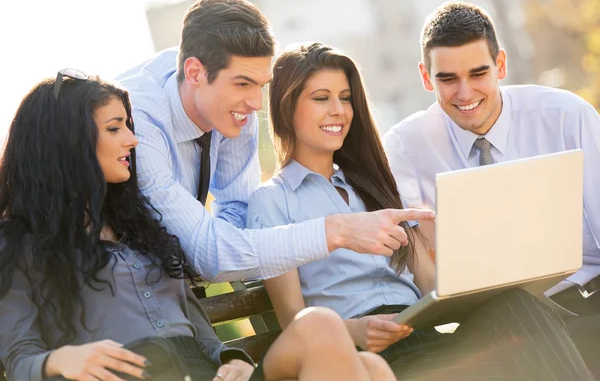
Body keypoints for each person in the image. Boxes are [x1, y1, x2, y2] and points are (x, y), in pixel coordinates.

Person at [0, 71, 398, 381]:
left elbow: (204, 336)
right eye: (114, 127)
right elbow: (19, 361)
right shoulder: (19, 244)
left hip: (202, 371)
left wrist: (234, 359)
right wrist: (59, 360)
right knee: (334, 335)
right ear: (70, 143)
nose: (132, 140)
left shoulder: (142, 229)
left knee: (367, 365)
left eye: (128, 125)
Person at [246, 41, 594, 380]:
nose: (339, 110)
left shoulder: (375, 185)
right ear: (287, 107)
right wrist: (353, 331)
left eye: (346, 98)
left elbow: (428, 280)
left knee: (517, 306)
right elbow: (293, 319)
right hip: (360, 357)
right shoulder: (272, 201)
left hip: (423, 336)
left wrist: (486, 281)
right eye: (321, 98)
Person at [116, 0, 433, 283]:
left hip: (169, 284)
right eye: (242, 84)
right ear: (195, 73)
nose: (256, 104)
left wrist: (215, 243)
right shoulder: (136, 121)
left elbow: (237, 213)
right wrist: (339, 230)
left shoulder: (231, 108)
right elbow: (211, 257)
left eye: (260, 85)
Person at [381, 0, 600, 375]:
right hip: (497, 321)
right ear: (425, 76)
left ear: (500, 65)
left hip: (585, 298)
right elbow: (419, 269)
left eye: (478, 74)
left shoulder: (565, 116)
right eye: (447, 79)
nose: (465, 94)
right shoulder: (404, 147)